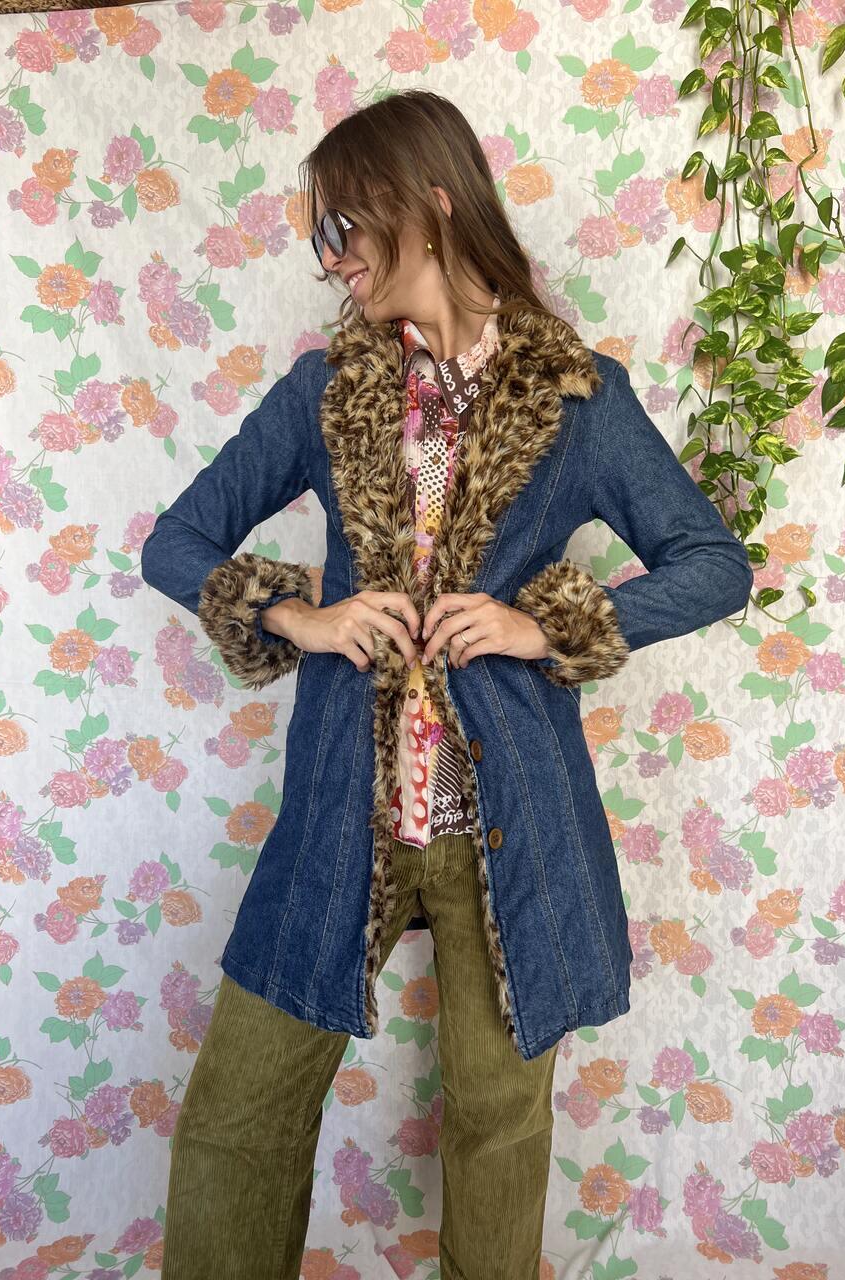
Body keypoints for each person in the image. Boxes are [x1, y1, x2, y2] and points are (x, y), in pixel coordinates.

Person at [142, 90, 754, 1279]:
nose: (332, 260)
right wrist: (301, 614)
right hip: (344, 807)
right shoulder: (324, 390)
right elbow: (178, 541)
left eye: (343, 228)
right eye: (320, 238)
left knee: (497, 1122)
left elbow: (712, 564)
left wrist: (542, 625)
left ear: (427, 202)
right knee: (239, 1113)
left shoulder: (577, 397)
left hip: (512, 819)